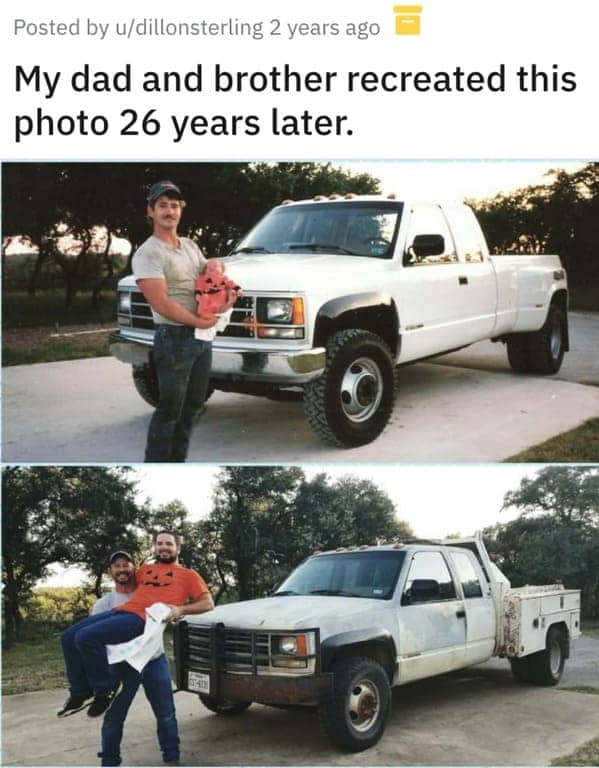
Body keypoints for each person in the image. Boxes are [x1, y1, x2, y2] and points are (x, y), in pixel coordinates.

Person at [132, 180, 238, 462]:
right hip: (174, 338)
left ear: (181, 209)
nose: (170, 211)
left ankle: (177, 461)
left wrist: (224, 290)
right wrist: (198, 322)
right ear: (151, 211)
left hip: (202, 338)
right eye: (163, 205)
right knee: (170, 409)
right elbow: (161, 303)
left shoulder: (190, 245)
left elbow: (209, 275)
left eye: (175, 205)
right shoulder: (148, 253)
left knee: (193, 407)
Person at [58, 530, 214, 720]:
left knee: (85, 638)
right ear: (155, 547)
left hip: (144, 618)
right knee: (67, 637)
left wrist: (179, 610)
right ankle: (80, 691)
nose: (163, 547)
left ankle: (106, 689)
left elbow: (208, 603)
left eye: (169, 544)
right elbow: (123, 578)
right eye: (159, 543)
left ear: (178, 548)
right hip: (122, 611)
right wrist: (109, 590)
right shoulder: (145, 570)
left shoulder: (188, 575)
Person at [92, 550, 181, 767]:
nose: (122, 569)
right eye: (117, 565)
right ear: (110, 571)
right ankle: (110, 762)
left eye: (126, 564)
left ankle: (172, 757)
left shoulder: (152, 594)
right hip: (122, 668)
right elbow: (94, 640)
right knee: (114, 718)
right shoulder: (104, 604)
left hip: (154, 662)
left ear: (135, 569)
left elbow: (175, 609)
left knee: (166, 714)